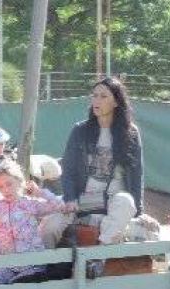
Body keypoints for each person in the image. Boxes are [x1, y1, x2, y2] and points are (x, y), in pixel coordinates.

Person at [40, 76, 142, 249]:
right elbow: (69, 169)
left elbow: (137, 174)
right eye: (94, 95)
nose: (97, 100)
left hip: (113, 199)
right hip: (85, 198)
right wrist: (71, 198)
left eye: (103, 96)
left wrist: (139, 212)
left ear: (116, 102)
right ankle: (42, 267)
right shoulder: (80, 130)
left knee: (126, 201)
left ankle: (98, 255)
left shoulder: (130, 132)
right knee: (50, 226)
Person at [0, 160, 76, 284]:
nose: (5, 190)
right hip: (7, 264)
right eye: (0, 187)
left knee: (18, 284)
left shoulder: (29, 204)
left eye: (9, 184)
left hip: (33, 262)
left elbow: (59, 206)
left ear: (19, 181)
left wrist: (40, 192)